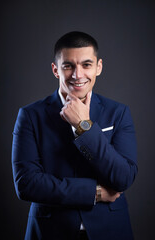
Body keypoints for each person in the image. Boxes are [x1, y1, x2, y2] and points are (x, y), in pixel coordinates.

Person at [12, 31, 138, 240]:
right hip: (50, 231)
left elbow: (123, 177)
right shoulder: (30, 115)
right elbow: (27, 184)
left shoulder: (118, 112)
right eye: (68, 65)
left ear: (99, 67)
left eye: (86, 65)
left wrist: (83, 126)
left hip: (111, 230)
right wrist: (94, 192)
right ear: (55, 70)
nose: (77, 75)